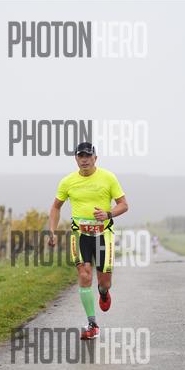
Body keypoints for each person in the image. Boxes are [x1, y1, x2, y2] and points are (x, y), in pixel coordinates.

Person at [48, 142, 129, 340]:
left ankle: (103, 292)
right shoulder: (67, 182)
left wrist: (108, 214)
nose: (84, 160)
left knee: (104, 282)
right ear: (76, 159)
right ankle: (92, 324)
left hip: (103, 235)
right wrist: (52, 231)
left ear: (95, 158)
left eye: (88, 156)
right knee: (84, 275)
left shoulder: (108, 177)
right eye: (80, 156)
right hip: (79, 234)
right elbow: (56, 207)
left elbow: (124, 205)